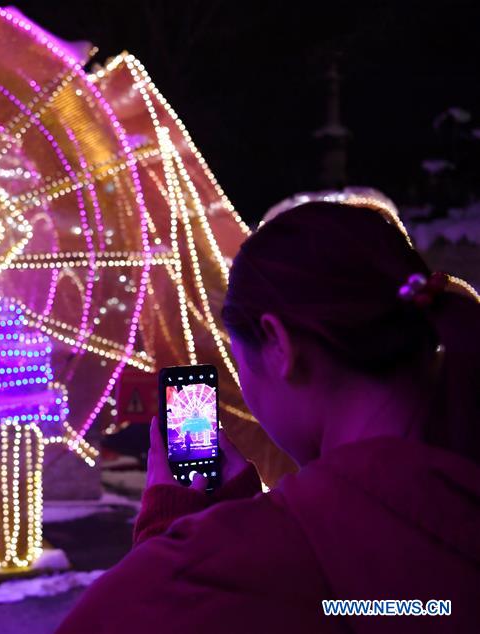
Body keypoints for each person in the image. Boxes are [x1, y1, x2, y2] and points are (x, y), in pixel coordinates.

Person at [57, 201, 480, 633]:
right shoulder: (444, 507)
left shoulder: (215, 570)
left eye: (240, 364)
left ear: (279, 346)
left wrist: (178, 537)